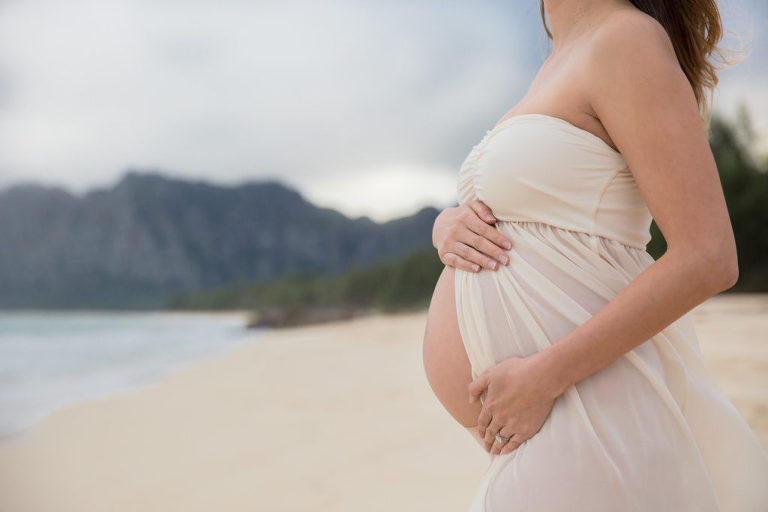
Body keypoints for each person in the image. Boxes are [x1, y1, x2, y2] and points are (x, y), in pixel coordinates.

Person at [423, 0, 768, 510]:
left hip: (583, 406)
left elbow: (709, 255)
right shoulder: (558, 61)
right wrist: (446, 226)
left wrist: (545, 377)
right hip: (549, 422)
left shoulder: (625, 39)